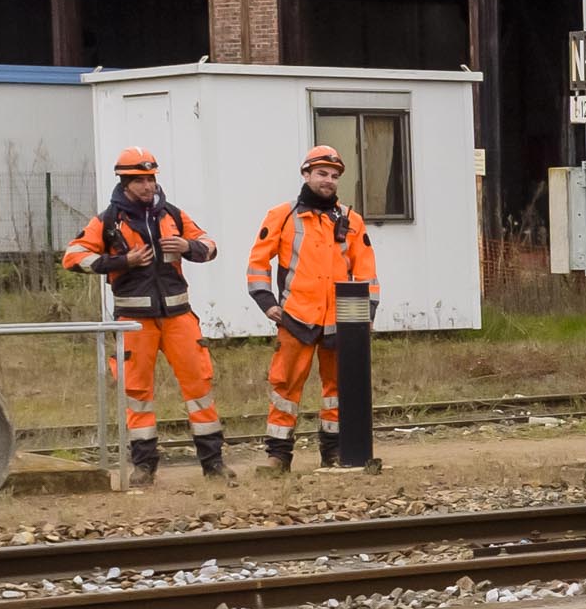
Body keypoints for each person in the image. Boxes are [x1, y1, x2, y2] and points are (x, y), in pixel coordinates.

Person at [65, 147, 224, 480]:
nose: (148, 186)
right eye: (139, 180)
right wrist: (123, 261)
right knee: (137, 393)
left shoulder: (173, 215)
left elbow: (210, 246)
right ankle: (144, 467)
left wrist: (188, 247)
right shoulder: (107, 221)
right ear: (125, 182)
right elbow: (73, 257)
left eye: (150, 178)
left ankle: (214, 464)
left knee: (199, 387)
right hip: (134, 322)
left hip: (179, 316)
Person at [249, 143, 381, 473]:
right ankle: (278, 457)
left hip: (341, 320)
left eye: (334, 176)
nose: (328, 181)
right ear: (306, 174)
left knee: (338, 390)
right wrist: (266, 301)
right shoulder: (282, 216)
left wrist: (366, 316)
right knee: (284, 387)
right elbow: (258, 261)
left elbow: (366, 271)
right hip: (296, 317)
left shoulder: (351, 220)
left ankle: (334, 453)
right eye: (322, 173)